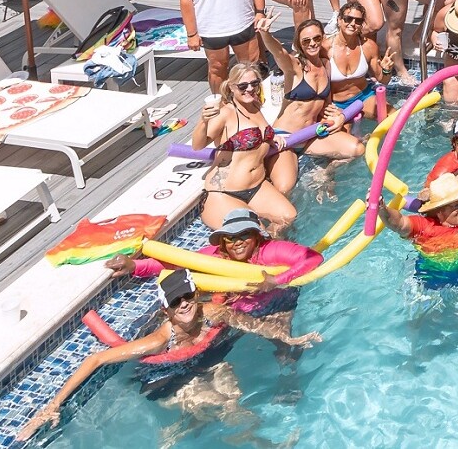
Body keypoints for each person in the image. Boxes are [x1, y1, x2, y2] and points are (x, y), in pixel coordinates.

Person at [15, 269, 322, 442]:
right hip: (163, 378)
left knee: (233, 394)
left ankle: (183, 428)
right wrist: (53, 405)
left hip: (201, 363)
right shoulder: (158, 341)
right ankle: (264, 444)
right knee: (221, 406)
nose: (185, 305)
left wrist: (286, 336)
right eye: (176, 302)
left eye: (188, 297)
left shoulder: (212, 312)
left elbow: (251, 324)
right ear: (166, 309)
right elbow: (94, 360)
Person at [109, 209, 321, 323]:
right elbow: (175, 263)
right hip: (231, 309)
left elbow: (313, 258)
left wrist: (276, 280)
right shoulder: (215, 255)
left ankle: (289, 377)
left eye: (244, 234)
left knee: (283, 342)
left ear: (256, 237)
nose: (236, 242)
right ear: (222, 241)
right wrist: (134, 265)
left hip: (273, 304)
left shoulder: (271, 250)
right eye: (229, 237)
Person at [259, 17, 364, 193]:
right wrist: (265, 34)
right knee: (285, 188)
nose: (312, 44)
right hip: (287, 138)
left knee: (357, 149)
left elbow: (327, 104)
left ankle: (325, 171)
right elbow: (279, 52)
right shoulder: (295, 66)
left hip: (312, 135)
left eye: (316, 38)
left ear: (322, 38)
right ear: (299, 44)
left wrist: (337, 115)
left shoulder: (325, 65)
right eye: (306, 41)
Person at [193, 62, 297, 235]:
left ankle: (272, 247)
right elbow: (198, 145)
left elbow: (261, 132)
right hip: (224, 192)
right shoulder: (225, 113)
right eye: (243, 86)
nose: (250, 89)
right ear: (231, 87)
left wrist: (272, 137)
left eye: (255, 83)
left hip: (257, 188)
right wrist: (202, 121)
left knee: (288, 216)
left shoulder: (255, 105)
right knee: (254, 234)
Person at [327, 0, 394, 120]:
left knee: (394, 118)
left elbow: (383, 80)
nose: (353, 24)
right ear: (339, 20)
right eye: (348, 19)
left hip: (363, 97)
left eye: (358, 21)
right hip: (336, 103)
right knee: (345, 136)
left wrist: (386, 70)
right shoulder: (325, 47)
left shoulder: (368, 46)